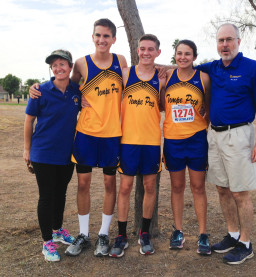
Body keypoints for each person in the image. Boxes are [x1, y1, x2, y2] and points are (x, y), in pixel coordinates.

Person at [29, 18, 128, 257]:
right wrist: (37, 86)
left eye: (106, 36)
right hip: (85, 133)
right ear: (92, 37)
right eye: (98, 35)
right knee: (82, 184)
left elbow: (138, 78)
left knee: (108, 184)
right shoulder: (82, 63)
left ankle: (103, 234)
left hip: (112, 134)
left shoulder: (121, 61)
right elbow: (67, 85)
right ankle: (83, 234)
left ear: (114, 39)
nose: (102, 40)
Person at [196, 23, 256, 265]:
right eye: (221, 41)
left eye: (229, 39)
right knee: (222, 188)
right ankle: (232, 234)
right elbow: (184, 67)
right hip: (215, 136)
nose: (225, 45)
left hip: (240, 135)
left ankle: (246, 243)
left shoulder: (252, 67)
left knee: (240, 192)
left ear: (238, 41)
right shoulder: (213, 67)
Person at [109, 34, 166, 258]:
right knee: (125, 188)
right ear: (137, 50)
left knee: (150, 188)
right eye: (142, 49)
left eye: (151, 49)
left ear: (157, 53)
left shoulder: (161, 78)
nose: (146, 53)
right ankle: (121, 235)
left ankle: (144, 233)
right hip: (128, 140)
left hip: (151, 141)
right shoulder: (125, 74)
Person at [24, 49, 80, 262]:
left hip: (67, 154)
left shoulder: (77, 90)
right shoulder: (40, 91)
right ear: (51, 69)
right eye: (54, 65)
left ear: (70, 67)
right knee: (46, 196)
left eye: (62, 64)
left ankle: (57, 230)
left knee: (61, 193)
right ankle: (47, 241)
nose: (58, 68)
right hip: (43, 153)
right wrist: (26, 149)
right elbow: (29, 121)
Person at [162, 40, 211, 255]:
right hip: (172, 140)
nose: (183, 57)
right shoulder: (167, 77)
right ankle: (178, 231)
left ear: (194, 56)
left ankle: (203, 234)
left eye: (187, 54)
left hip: (197, 139)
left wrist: (202, 125)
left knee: (198, 187)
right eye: (179, 53)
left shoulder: (203, 78)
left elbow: (208, 107)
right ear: (175, 56)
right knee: (177, 187)